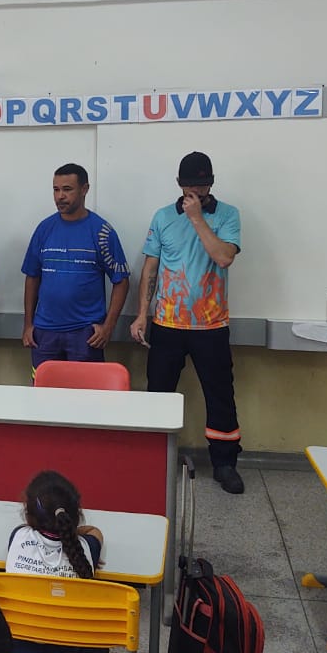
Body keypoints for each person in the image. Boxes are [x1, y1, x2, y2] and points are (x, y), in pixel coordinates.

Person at [130, 152, 245, 494]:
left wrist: (197, 219)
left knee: (220, 396)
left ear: (212, 182)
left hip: (211, 326)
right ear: (179, 184)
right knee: (158, 394)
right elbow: (150, 269)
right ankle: (153, 460)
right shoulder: (163, 217)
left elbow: (223, 257)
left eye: (203, 184)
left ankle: (224, 464)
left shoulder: (228, 214)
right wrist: (142, 314)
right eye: (190, 185)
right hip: (167, 325)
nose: (197, 190)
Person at [21, 163, 129, 373]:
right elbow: (32, 277)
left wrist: (108, 327)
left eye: (67, 189)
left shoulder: (102, 232)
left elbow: (121, 281)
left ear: (84, 189)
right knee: (44, 391)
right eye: (56, 189)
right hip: (45, 333)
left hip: (85, 334)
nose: (60, 196)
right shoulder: (44, 229)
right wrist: (28, 325)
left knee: (85, 392)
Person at [5, 470, 107, 653]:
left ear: (27, 514)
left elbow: (26, 528)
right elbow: (95, 532)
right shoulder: (86, 548)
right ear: (76, 515)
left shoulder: (18, 537)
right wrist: (71, 532)